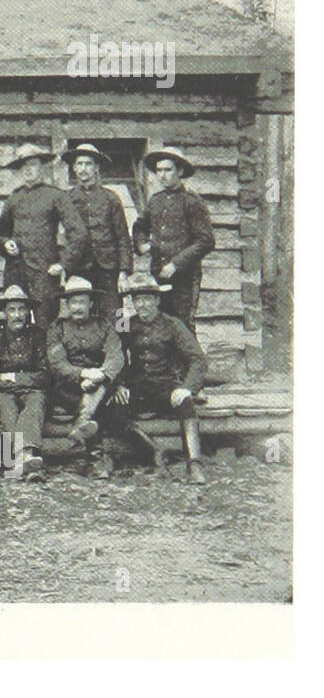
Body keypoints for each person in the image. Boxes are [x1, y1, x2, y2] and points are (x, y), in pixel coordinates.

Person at [114, 272, 209, 485]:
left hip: (167, 386)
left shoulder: (173, 324)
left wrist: (187, 388)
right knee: (114, 410)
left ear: (157, 300)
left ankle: (194, 466)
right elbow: (115, 356)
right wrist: (119, 384)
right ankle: (154, 451)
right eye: (138, 299)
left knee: (186, 404)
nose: (143, 304)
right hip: (137, 387)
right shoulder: (125, 324)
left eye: (148, 298)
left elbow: (198, 360)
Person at [0, 143, 89, 327]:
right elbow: (0, 233)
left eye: (32, 164)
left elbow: (78, 233)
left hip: (44, 272)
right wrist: (5, 243)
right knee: (15, 320)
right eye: (23, 166)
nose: (27, 169)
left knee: (45, 322)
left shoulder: (56, 196)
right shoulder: (14, 198)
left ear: (42, 167)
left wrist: (63, 264)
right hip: (16, 271)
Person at [46, 276, 125, 478]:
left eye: (82, 302)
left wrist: (100, 375)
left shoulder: (104, 326)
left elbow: (116, 356)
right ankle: (97, 458)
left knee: (99, 392)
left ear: (90, 304)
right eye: (73, 302)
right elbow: (58, 364)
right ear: (67, 305)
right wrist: (84, 374)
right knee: (98, 399)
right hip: (68, 388)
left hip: (100, 383)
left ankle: (84, 441)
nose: (78, 307)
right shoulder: (57, 328)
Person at [133, 149, 215, 331]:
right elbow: (140, 226)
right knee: (162, 324)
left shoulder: (192, 201)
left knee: (182, 326)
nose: (162, 175)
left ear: (180, 171)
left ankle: (191, 352)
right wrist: (142, 244)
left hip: (184, 277)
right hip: (158, 273)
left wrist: (176, 264)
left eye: (167, 170)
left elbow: (206, 240)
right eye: (159, 170)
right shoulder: (155, 201)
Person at [0, 285, 49, 481]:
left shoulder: (38, 335)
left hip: (33, 390)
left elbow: (45, 374)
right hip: (2, 393)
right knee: (7, 407)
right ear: (4, 312)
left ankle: (22, 459)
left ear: (28, 312)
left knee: (35, 403)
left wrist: (13, 378)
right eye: (12, 310)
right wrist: (15, 380)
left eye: (21, 309)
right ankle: (26, 459)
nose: (17, 315)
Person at [61, 143, 132, 322]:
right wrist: (63, 266)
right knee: (82, 316)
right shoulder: (66, 199)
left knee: (117, 315)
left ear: (96, 167)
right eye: (79, 164)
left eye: (88, 164)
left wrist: (124, 272)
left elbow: (122, 237)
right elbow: (60, 235)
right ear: (74, 168)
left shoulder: (111, 198)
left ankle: (122, 340)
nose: (83, 168)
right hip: (78, 268)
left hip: (108, 269)